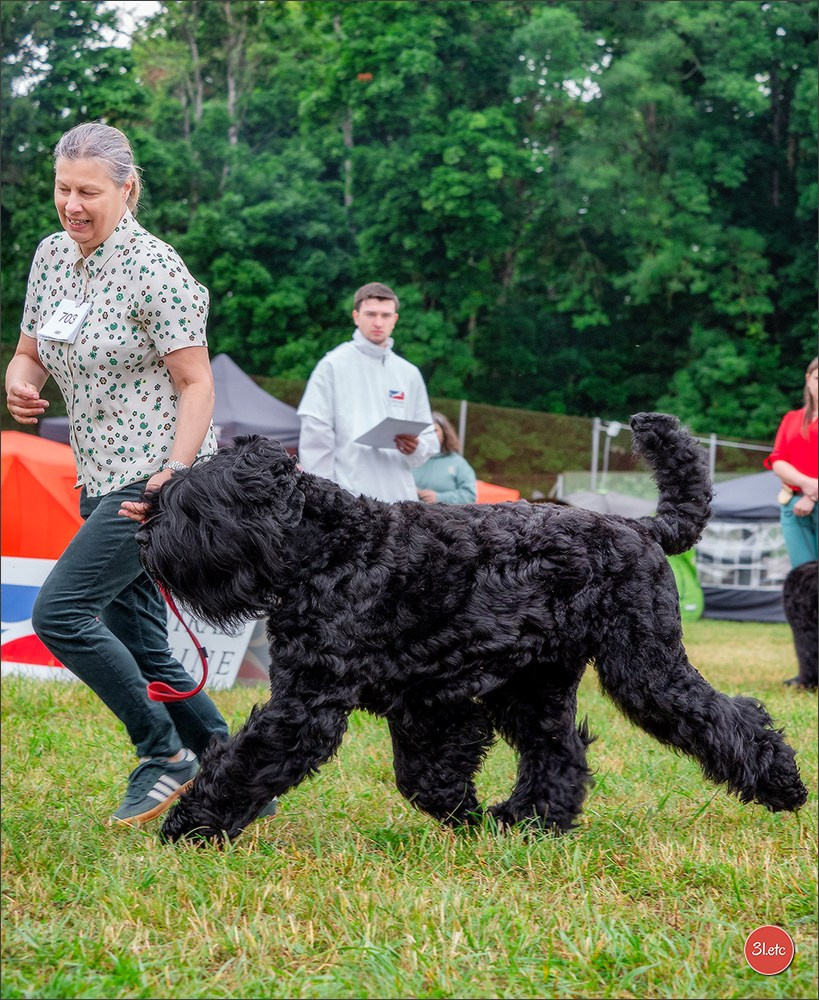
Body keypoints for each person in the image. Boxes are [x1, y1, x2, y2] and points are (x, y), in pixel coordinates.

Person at [5, 122, 275, 829]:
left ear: (127, 189)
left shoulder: (156, 269)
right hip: (94, 474)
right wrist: (20, 379)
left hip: (155, 478)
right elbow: (30, 349)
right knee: (145, 642)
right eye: (63, 189)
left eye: (88, 191)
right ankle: (236, 772)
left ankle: (162, 754)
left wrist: (173, 478)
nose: (72, 203)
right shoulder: (51, 257)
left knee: (59, 613)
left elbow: (197, 386)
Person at [297, 281, 439, 501]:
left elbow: (429, 439)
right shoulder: (333, 366)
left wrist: (415, 447)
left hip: (401, 501)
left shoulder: (409, 373)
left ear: (395, 319)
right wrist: (326, 499)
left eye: (385, 315)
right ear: (356, 316)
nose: (378, 322)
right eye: (371, 314)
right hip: (350, 499)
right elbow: (315, 439)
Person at [764, 356, 818, 569]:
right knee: (803, 578)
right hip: (793, 506)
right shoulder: (791, 419)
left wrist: (811, 497)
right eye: (818, 378)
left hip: (808, 501)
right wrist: (807, 486)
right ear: (808, 379)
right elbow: (778, 460)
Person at [414, 411, 477, 504]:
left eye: (435, 430)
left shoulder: (458, 462)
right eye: (426, 431)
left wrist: (440, 498)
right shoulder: (408, 459)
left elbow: (470, 495)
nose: (430, 435)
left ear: (445, 433)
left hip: (447, 517)